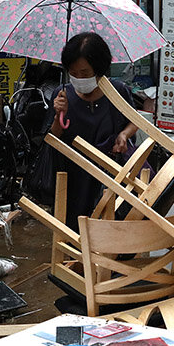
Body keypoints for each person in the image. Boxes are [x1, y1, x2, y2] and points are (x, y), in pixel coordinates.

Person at [48, 32, 140, 228]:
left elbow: (134, 121)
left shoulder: (118, 91)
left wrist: (124, 135)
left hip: (110, 174)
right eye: (73, 73)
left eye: (85, 73)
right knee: (74, 229)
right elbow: (52, 137)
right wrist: (58, 115)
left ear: (99, 69)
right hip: (74, 177)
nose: (79, 78)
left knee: (111, 227)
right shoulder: (62, 95)